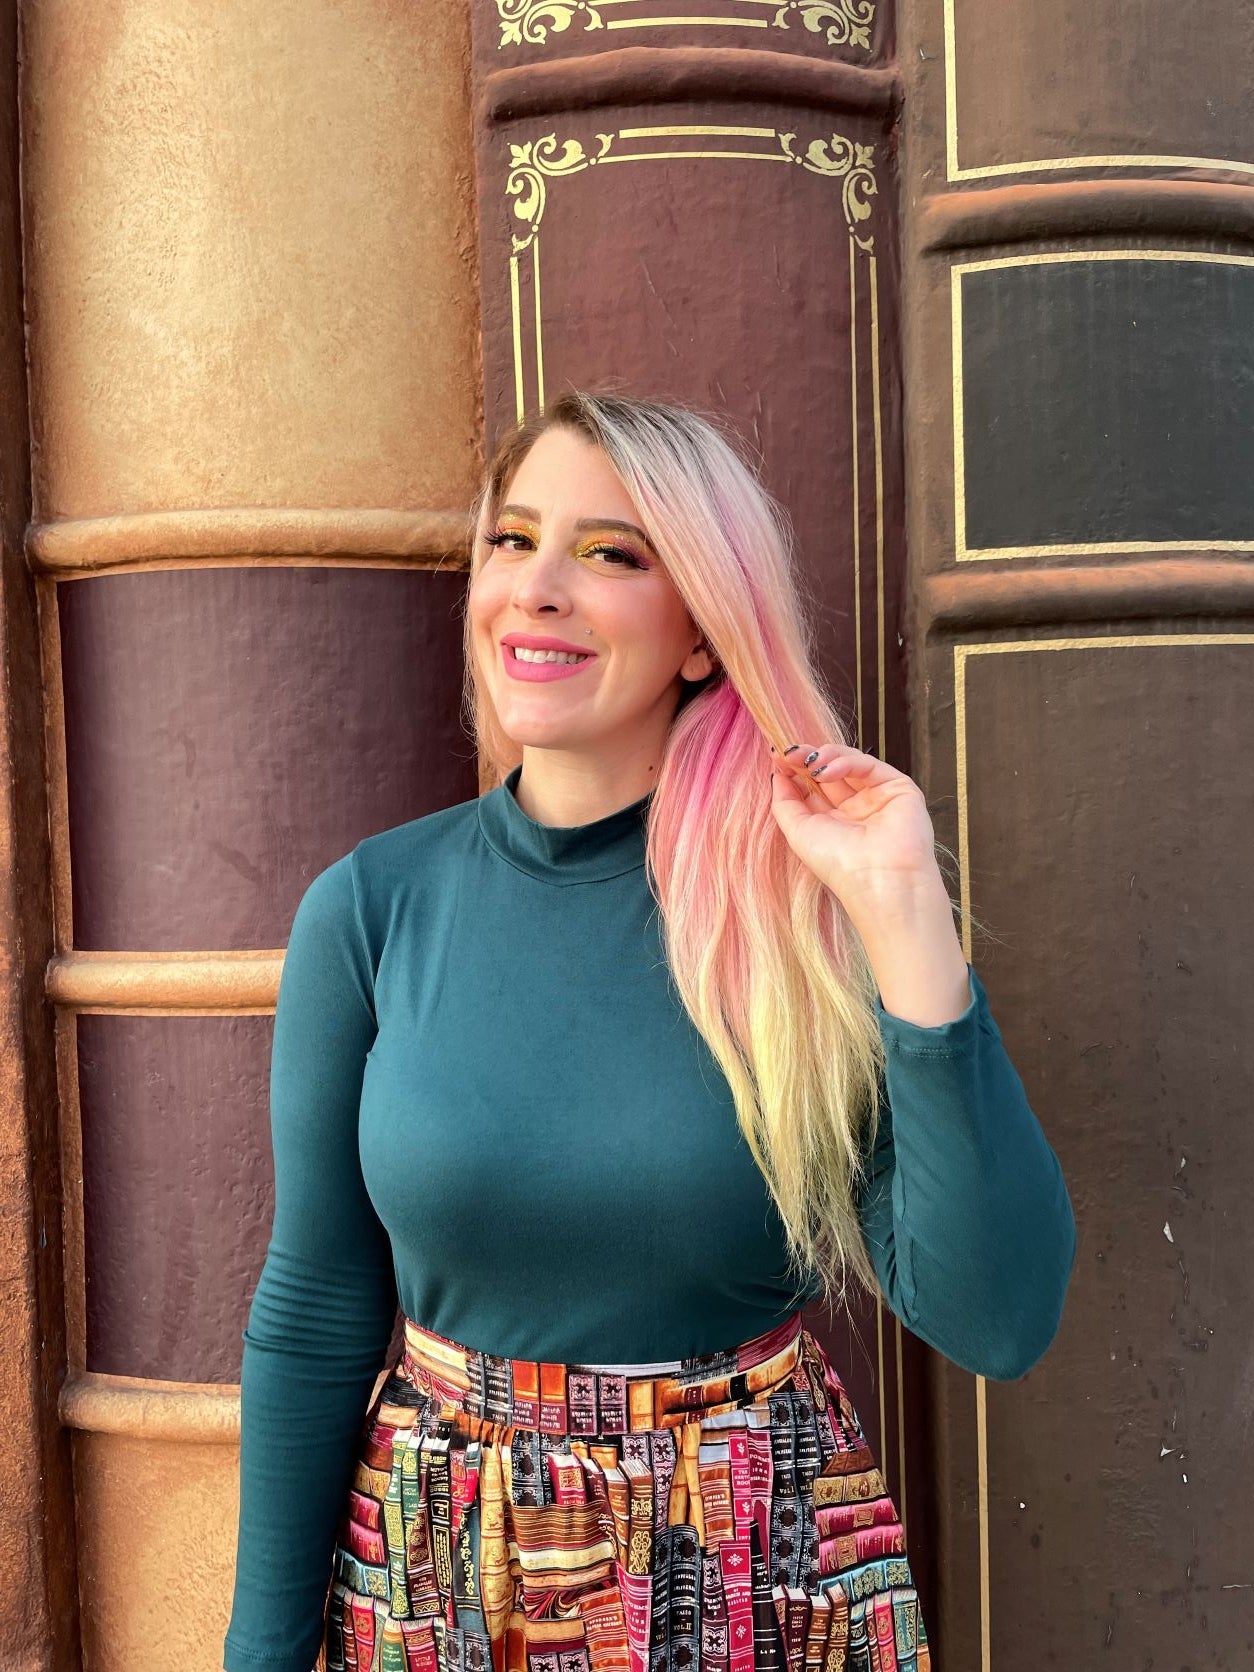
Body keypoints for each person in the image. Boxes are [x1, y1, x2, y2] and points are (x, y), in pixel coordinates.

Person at [222, 390, 1076, 1672]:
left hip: (751, 1572)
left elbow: (996, 1316)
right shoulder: (373, 907)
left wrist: (905, 910)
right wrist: (261, 1652)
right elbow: (316, 1306)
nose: (537, 587)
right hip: (441, 1576)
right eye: (513, 540)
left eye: (611, 553)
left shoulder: (802, 916)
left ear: (701, 634)